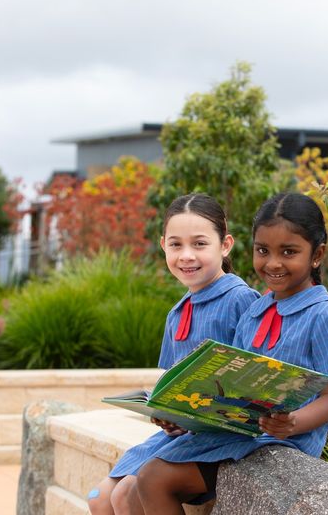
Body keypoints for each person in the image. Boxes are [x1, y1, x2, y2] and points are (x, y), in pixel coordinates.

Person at [135, 192, 328, 514]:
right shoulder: (255, 312)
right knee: (141, 481)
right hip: (242, 436)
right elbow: (231, 387)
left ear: (317, 254)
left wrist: (292, 422)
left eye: (289, 252)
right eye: (262, 250)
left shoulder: (327, 315)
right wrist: (183, 417)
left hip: (285, 443)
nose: (273, 263)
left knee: (154, 479)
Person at [87, 193, 259, 515]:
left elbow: (252, 382)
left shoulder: (241, 300)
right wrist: (166, 413)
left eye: (199, 244)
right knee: (99, 497)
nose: (187, 256)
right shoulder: (177, 313)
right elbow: (171, 383)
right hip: (184, 435)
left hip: (222, 437)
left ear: (225, 245)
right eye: (176, 245)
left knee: (126, 495)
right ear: (163, 244)